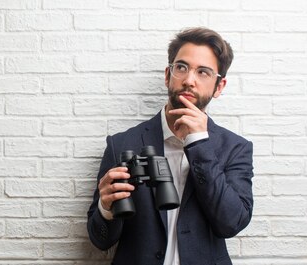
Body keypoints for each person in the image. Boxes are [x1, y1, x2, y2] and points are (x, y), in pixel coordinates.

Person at [86, 27, 254, 265]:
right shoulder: (122, 144)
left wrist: (198, 143)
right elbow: (99, 240)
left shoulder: (235, 148)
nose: (189, 80)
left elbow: (231, 222)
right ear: (168, 75)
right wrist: (105, 207)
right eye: (181, 68)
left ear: (219, 87)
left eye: (203, 72)